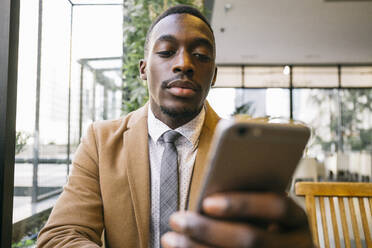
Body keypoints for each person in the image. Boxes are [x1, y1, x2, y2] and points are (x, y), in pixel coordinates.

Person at [37, 5, 313, 248]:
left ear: (213, 75)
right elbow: (60, 235)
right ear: (144, 69)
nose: (184, 64)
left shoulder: (244, 151)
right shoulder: (101, 141)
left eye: (201, 55)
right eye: (167, 51)